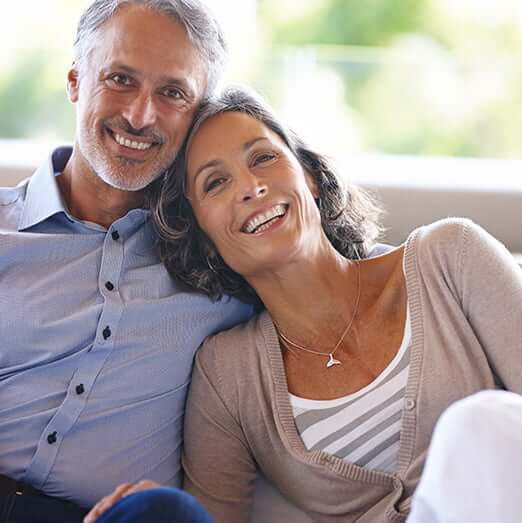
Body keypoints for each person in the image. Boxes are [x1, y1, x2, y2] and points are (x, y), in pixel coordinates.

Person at [85, 87, 522, 523]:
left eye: (263, 158)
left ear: (308, 176)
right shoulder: (227, 374)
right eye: (216, 182)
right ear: (202, 236)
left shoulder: (449, 256)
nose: (251, 187)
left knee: (481, 423)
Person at [0, 2, 252, 522]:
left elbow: (336, 269)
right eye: (120, 79)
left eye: (173, 93)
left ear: (198, 114)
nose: (141, 116)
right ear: (75, 80)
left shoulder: (222, 258)